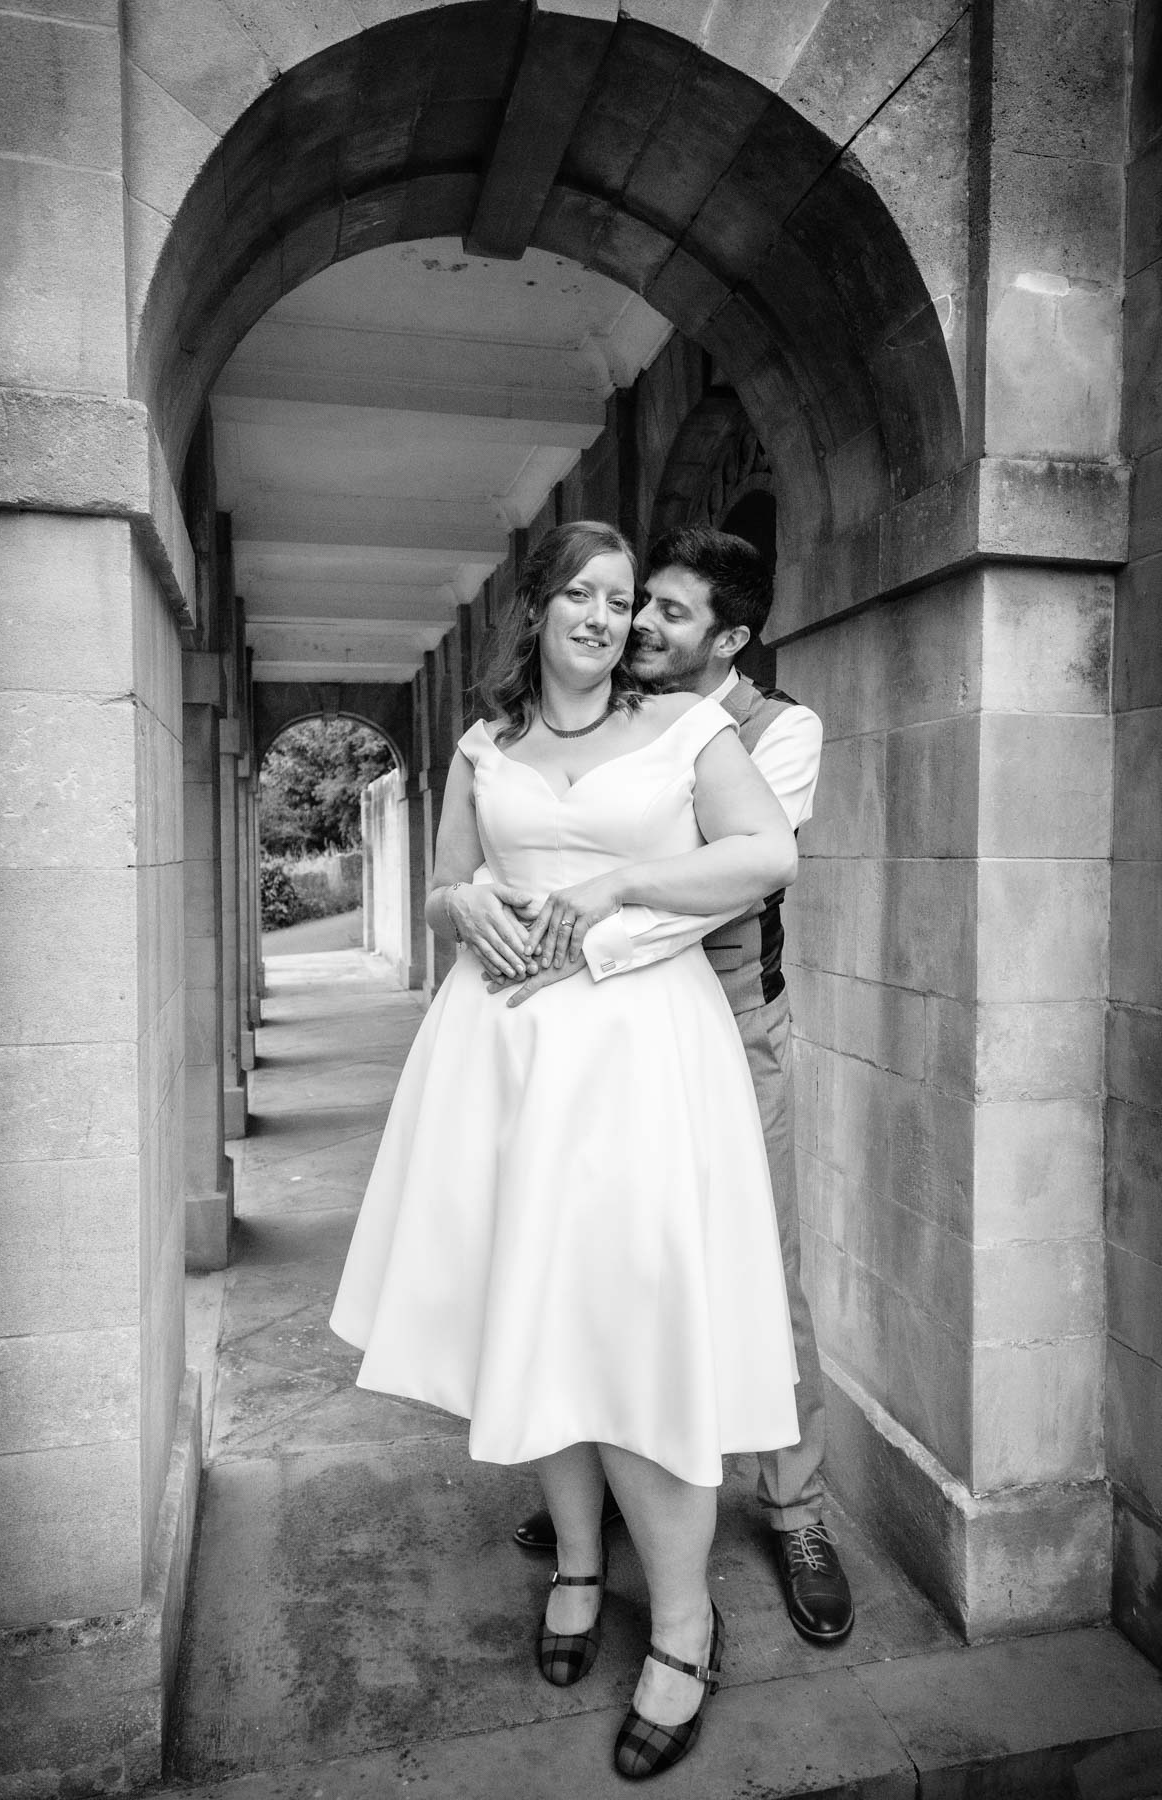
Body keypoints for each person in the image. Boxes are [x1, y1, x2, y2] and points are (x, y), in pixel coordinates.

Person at [330, 520, 801, 1780]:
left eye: (624, 598)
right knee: (535, 1313)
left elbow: (767, 855)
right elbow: (442, 891)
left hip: (645, 1060)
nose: (604, 615)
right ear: (535, 609)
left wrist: (619, 889)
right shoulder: (484, 746)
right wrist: (460, 902)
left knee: (639, 1324)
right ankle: (582, 1567)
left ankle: (688, 1626)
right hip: (506, 1059)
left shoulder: (688, 733)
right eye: (581, 594)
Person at [509, 524, 855, 1647]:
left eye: (667, 613)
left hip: (730, 1023)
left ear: (733, 639)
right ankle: (610, 1480)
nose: (638, 626)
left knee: (762, 1268)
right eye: (633, 603)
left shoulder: (781, 730)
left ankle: (795, 1508)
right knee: (606, 1261)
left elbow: (719, 890)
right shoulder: (614, 706)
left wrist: (589, 926)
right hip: (602, 1030)